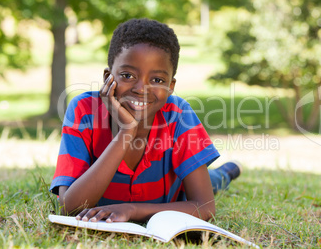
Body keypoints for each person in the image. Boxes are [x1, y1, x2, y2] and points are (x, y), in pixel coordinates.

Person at [50, 18, 241, 223]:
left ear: (171, 86)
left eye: (157, 80)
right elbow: (70, 208)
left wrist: (131, 210)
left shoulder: (178, 114)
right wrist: (126, 132)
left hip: (177, 189)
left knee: (213, 181)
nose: (141, 89)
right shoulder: (84, 110)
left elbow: (204, 207)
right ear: (108, 77)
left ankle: (225, 173)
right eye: (127, 75)